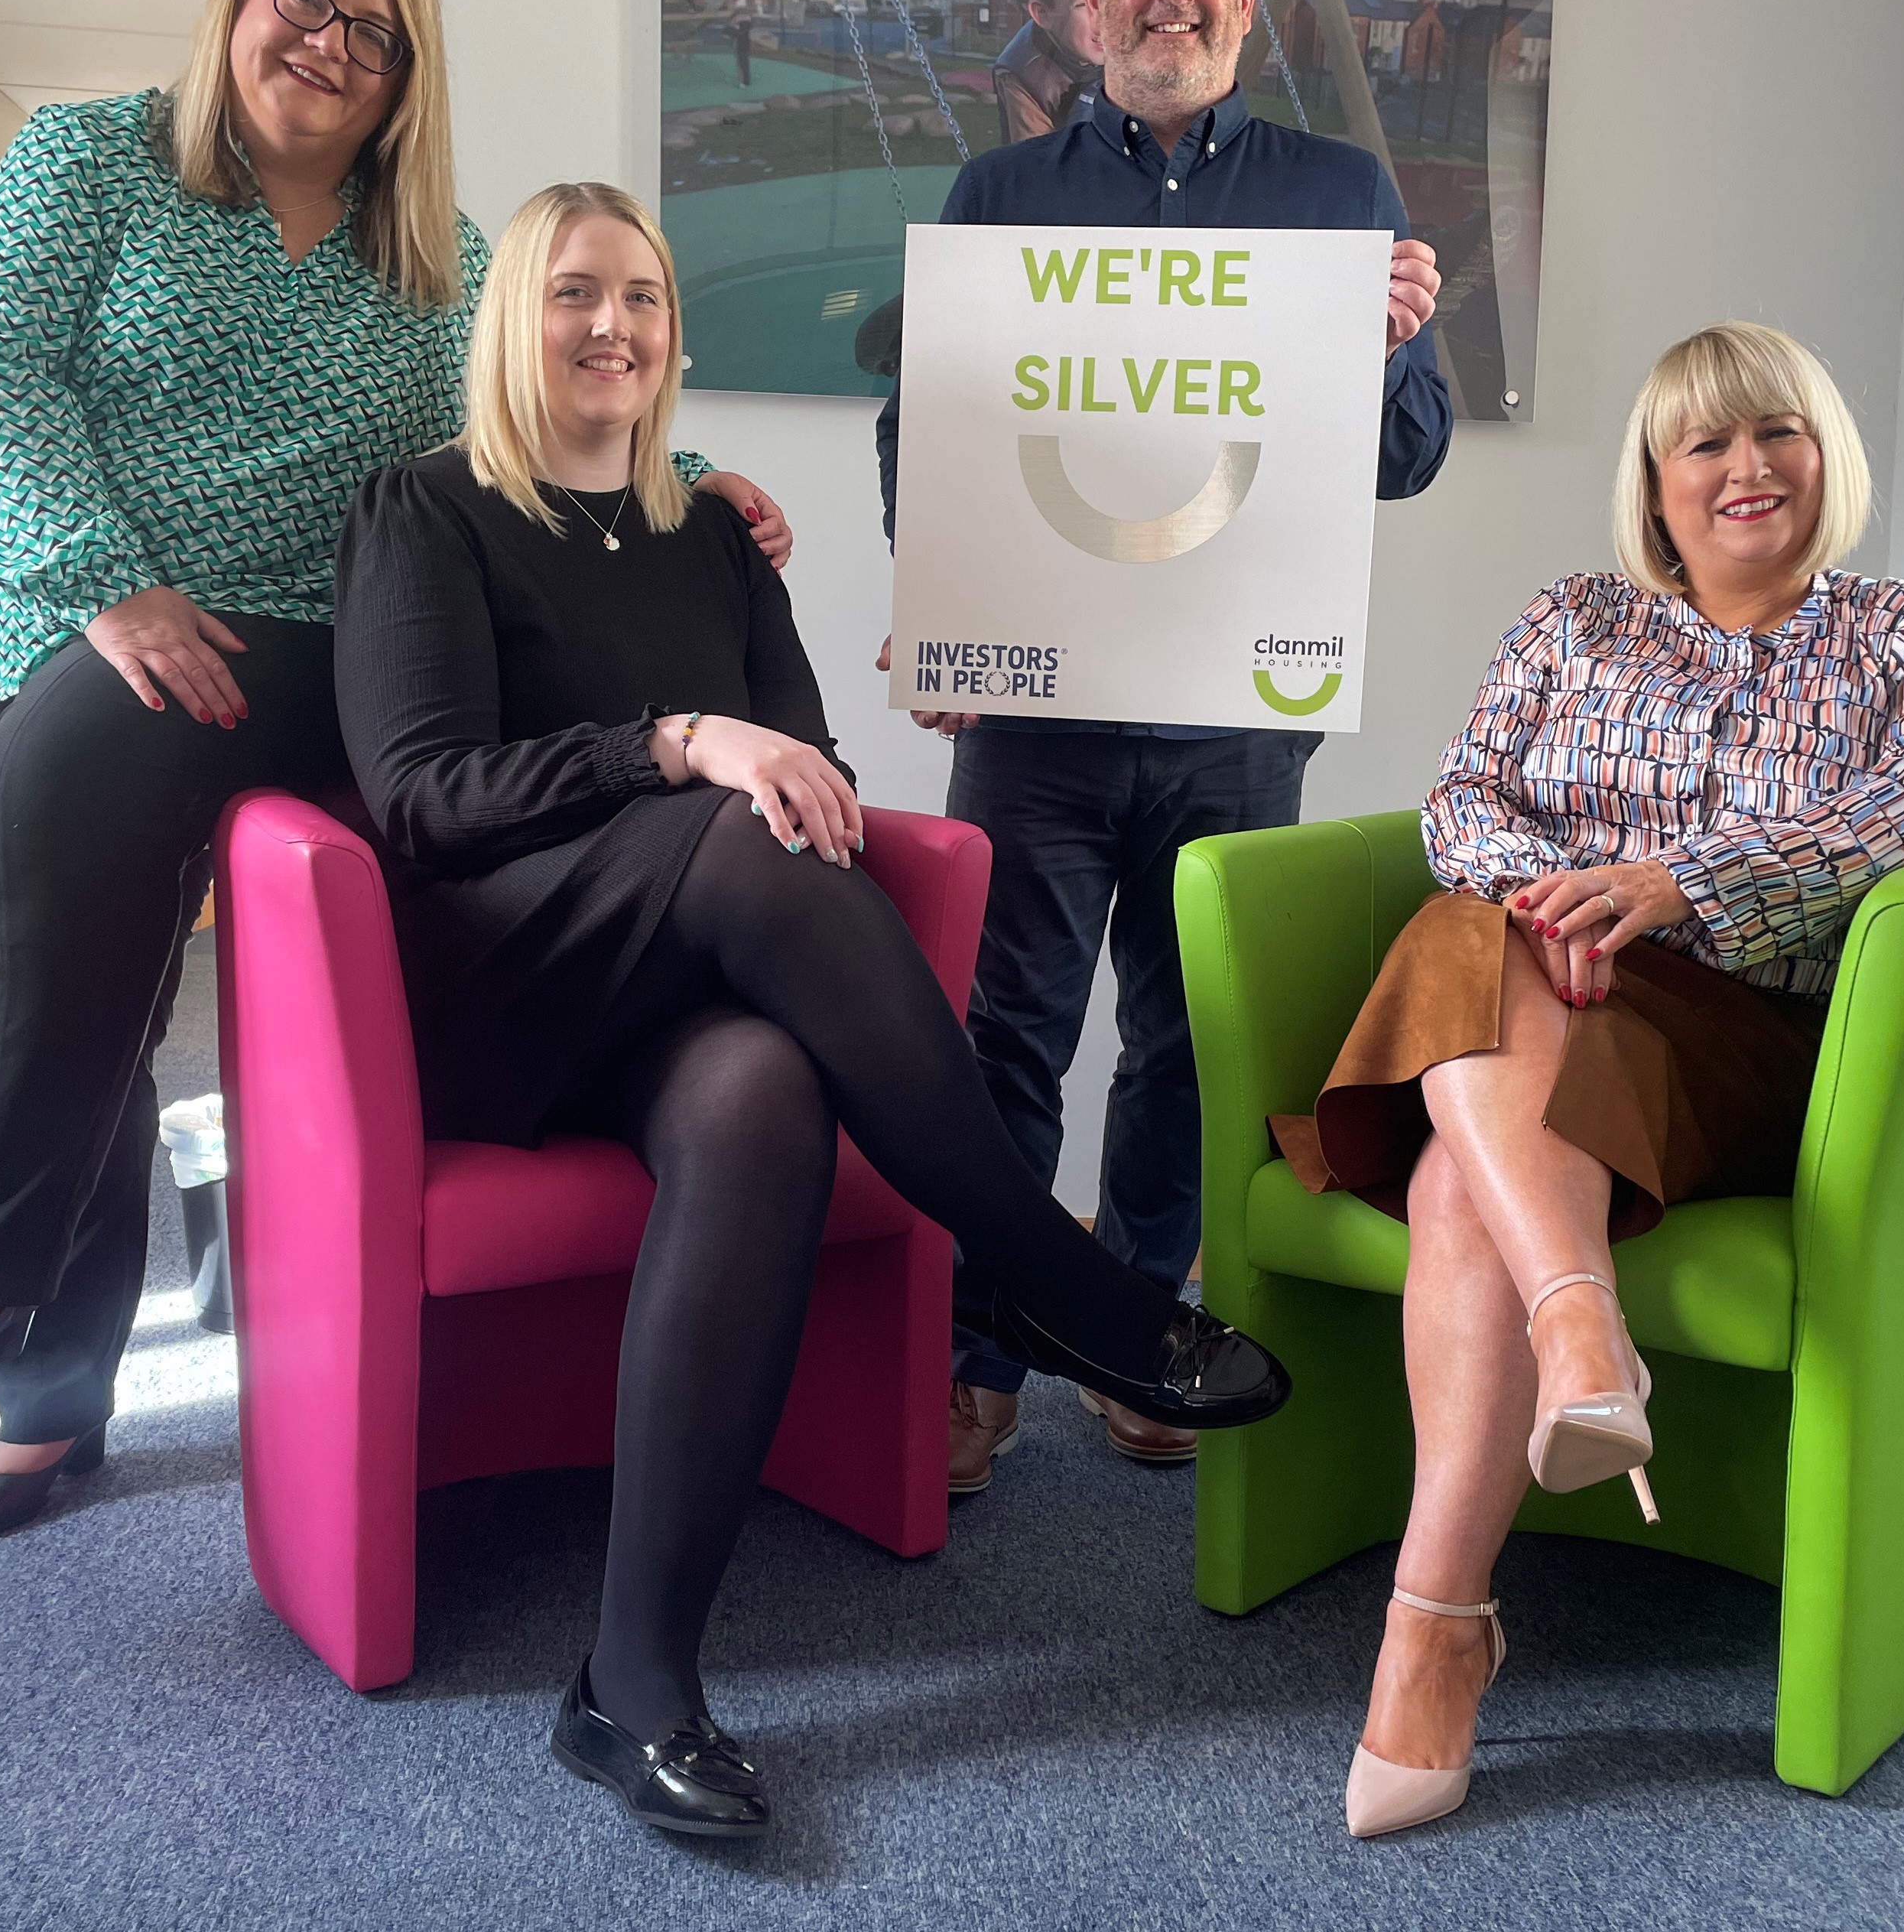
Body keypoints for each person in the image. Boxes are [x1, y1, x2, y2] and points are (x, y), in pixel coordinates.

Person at [0, 0, 792, 1542]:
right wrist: (97, 579)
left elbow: (528, 412)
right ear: (238, 0)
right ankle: (46, 1405)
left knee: (276, 970)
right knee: (74, 1027)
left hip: (307, 662)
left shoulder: (443, 256)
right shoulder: (87, 160)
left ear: (406, 80)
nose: (328, 45)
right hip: (76, 638)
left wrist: (690, 488)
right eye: (303, 0)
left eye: (373, 33)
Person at [332, 182, 1291, 1836]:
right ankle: (1047, 1270)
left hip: (687, 986)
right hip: (512, 980)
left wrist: (768, 756)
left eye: (640, 295)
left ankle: (628, 1681)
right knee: (730, 819)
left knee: (764, 1091)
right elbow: (424, 797)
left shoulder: (716, 537)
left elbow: (815, 782)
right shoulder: (424, 511)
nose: (611, 325)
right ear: (511, 320)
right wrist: (676, 741)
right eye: (573, 293)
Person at [1272, 322, 1904, 1837]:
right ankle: (1480, 1527)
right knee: (1473, 959)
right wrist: (1563, 903)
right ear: (1655, 484)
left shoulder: (1899, 632)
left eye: (1774, 434)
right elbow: (1464, 791)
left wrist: (1676, 882)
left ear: (1822, 455)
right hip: (1547, 993)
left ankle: (1445, 1616)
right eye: (1704, 445)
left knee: (1457, 1118)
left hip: (1746, 1033)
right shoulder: (1574, 619)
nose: (1746, 470)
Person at [874, 0, 1451, 1488]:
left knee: (1189, 1041)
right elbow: (937, 428)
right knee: (1007, 1039)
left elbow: (1400, 463)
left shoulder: (1346, 198)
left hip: (1231, 720)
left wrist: (1399, 342)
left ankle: (1137, 1342)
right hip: (1037, 715)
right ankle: (978, 1363)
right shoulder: (997, 198)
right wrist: (939, 602)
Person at [990, 0, 1102, 141]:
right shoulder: (1025, 74)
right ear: (1043, 14)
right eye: (1081, 5)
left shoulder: (1126, 37)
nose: (1102, 17)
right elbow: (1038, 165)